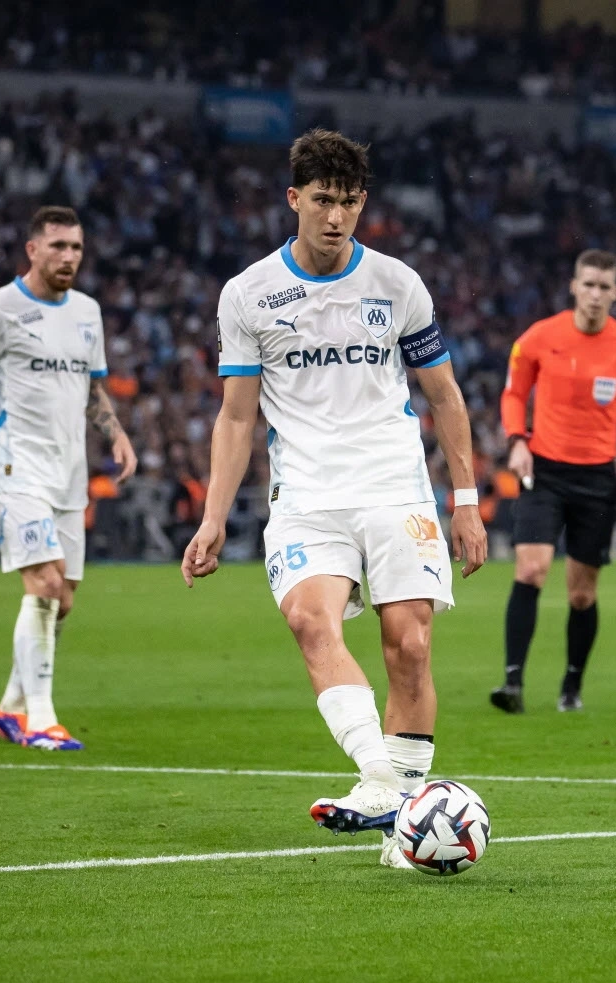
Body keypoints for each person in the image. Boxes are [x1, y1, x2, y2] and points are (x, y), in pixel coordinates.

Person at [181, 130, 487, 869]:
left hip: (393, 483)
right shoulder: (249, 293)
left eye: (349, 203)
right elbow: (235, 415)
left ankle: (396, 827)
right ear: (294, 199)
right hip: (309, 493)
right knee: (308, 621)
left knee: (409, 648)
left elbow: (443, 394)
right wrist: (214, 515)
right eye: (322, 201)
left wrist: (468, 498)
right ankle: (381, 781)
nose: (335, 218)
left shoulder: (397, 284)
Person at [0, 205, 138, 752]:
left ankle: (11, 707)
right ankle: (41, 721)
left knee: (64, 598)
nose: (69, 257)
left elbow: (94, 386)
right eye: (58, 247)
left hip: (68, 471)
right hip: (14, 466)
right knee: (45, 585)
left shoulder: (87, 313)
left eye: (76, 247)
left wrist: (116, 433)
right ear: (32, 250)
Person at [489, 249, 616, 713]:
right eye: (588, 284)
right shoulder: (539, 338)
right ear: (573, 286)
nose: (595, 294)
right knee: (530, 570)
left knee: (582, 592)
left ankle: (571, 686)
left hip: (596, 478)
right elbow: (513, 394)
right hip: (543, 470)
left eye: (604, 287)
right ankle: (512, 684)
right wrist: (517, 440)